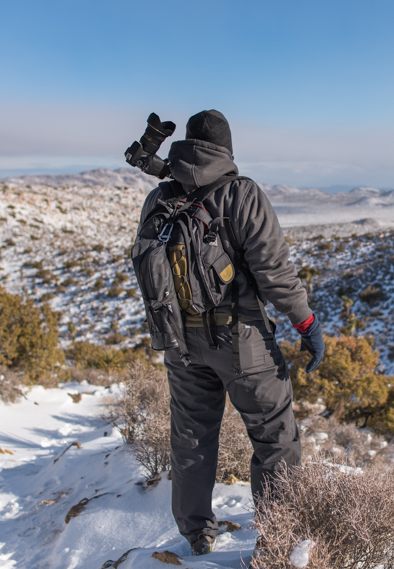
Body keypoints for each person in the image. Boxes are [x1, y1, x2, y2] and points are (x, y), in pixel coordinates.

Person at [135, 110, 325, 556]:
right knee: (275, 439)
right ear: (227, 150)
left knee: (191, 438)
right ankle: (278, 543)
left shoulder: (159, 197)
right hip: (242, 344)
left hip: (180, 343)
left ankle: (196, 535)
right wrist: (306, 323)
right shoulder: (242, 194)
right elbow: (275, 273)